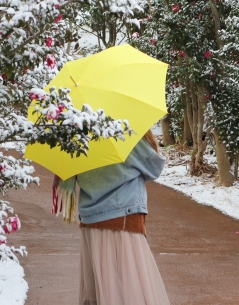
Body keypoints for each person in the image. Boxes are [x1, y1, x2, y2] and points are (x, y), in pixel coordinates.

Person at [52, 130, 170, 305]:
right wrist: (147, 137)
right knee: (129, 289)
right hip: (123, 217)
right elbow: (154, 168)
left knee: (100, 291)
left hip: (91, 220)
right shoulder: (122, 130)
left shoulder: (78, 133)